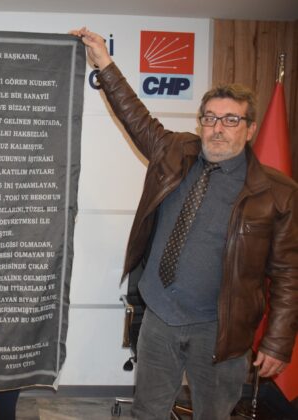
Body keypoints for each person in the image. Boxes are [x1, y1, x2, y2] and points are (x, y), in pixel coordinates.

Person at [72, 27, 298, 419]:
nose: (218, 128)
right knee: (148, 411)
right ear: (200, 122)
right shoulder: (176, 151)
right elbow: (135, 116)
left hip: (220, 330)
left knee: (213, 414)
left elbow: (288, 274)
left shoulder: (277, 192)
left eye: (230, 119)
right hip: (159, 317)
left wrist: (278, 342)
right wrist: (104, 64)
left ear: (250, 129)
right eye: (210, 118)